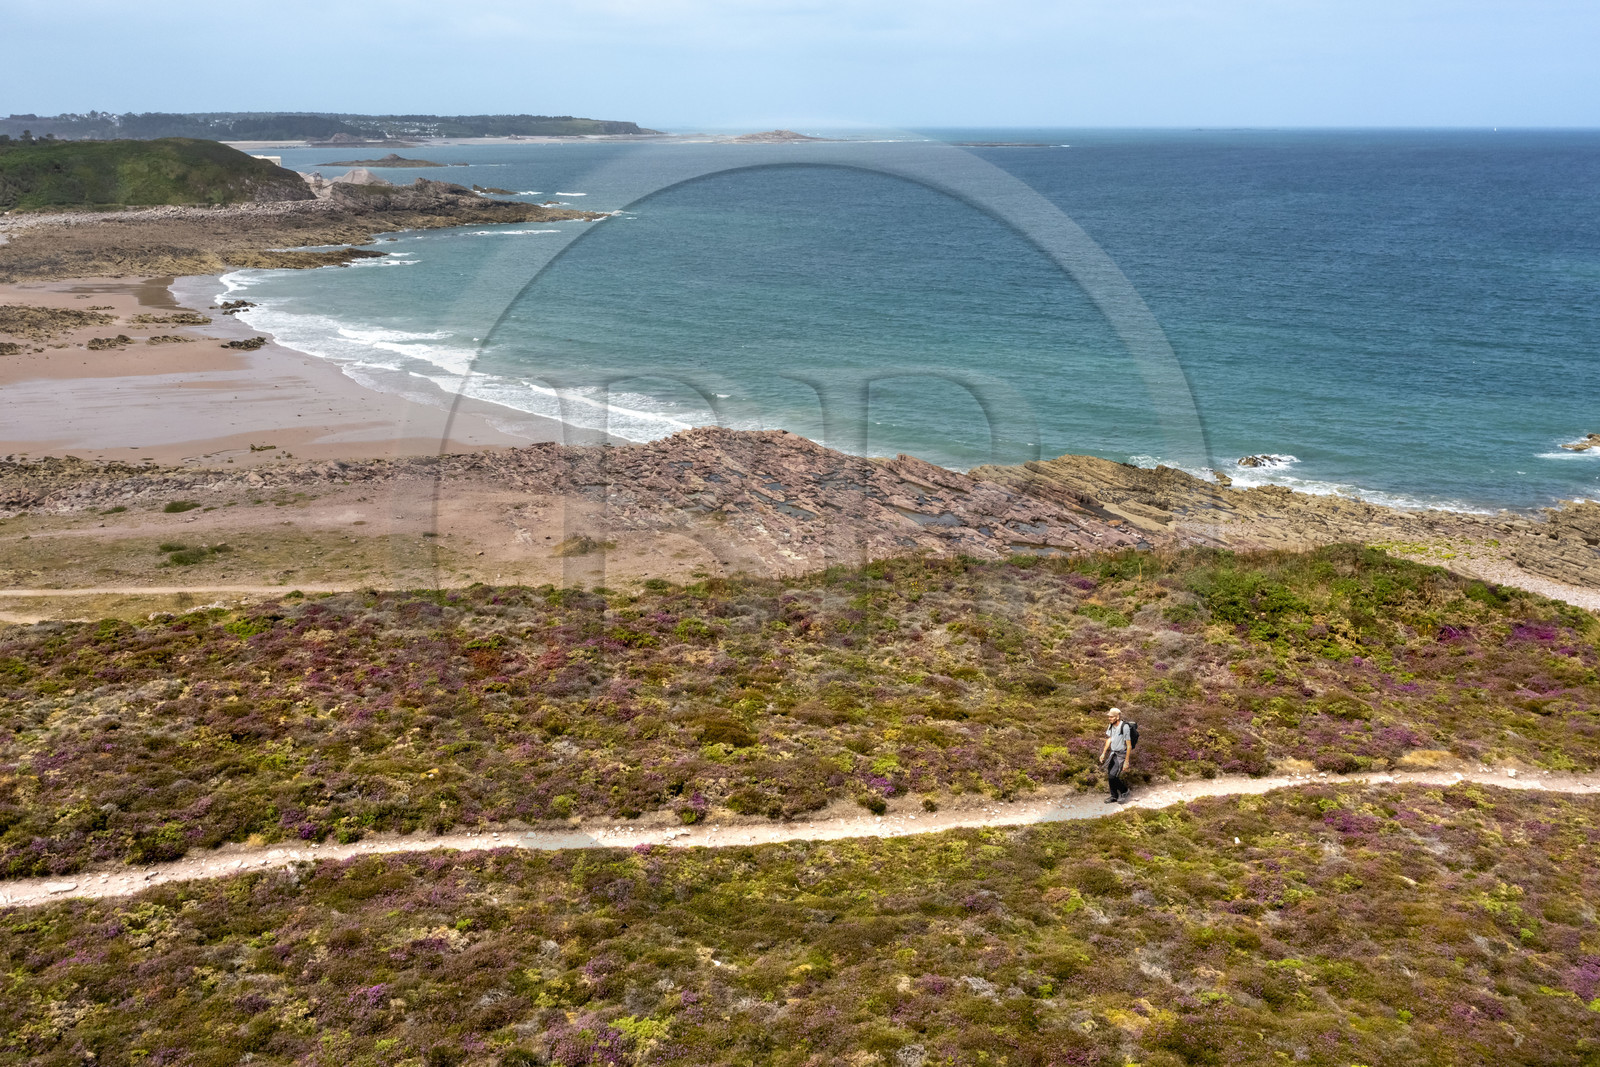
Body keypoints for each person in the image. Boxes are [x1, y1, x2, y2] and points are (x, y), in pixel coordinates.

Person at [1098, 707, 1135, 803]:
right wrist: (1103, 753)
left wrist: (1126, 761)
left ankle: (1124, 791)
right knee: (1110, 774)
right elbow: (1109, 739)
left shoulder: (1125, 727)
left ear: (1117, 717)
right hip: (1113, 753)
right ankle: (1114, 796)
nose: (1109, 718)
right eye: (1109, 717)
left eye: (1111, 717)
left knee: (1112, 776)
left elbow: (1129, 745)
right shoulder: (1110, 725)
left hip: (1121, 754)